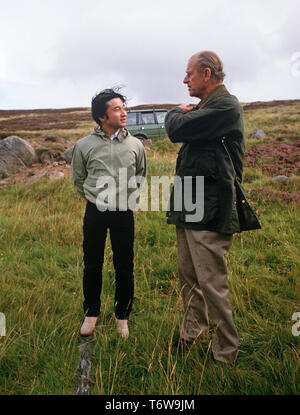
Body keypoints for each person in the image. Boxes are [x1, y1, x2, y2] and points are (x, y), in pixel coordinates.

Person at [165, 51, 245, 366]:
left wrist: (175, 112)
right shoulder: (205, 108)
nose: (185, 80)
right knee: (188, 276)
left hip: (210, 205)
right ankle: (193, 332)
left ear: (207, 74)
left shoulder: (225, 106)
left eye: (189, 74)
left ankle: (225, 354)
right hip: (190, 201)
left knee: (211, 281)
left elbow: (175, 129)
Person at [71, 88, 146, 338]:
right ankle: (91, 312)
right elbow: (79, 179)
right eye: (117, 108)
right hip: (95, 211)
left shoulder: (135, 145)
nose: (123, 112)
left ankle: (122, 315)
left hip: (124, 212)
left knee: (124, 265)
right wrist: (96, 198)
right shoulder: (83, 146)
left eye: (124, 107)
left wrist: (127, 198)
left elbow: (141, 176)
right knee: (92, 263)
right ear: (102, 116)